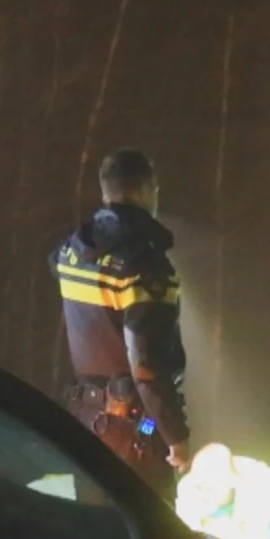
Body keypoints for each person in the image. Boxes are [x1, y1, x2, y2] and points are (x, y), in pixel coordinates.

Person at [52, 149, 189, 496]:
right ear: (146, 191)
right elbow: (146, 365)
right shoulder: (146, 265)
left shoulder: (72, 250)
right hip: (135, 435)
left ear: (105, 192)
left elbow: (55, 263)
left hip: (84, 421)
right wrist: (176, 435)